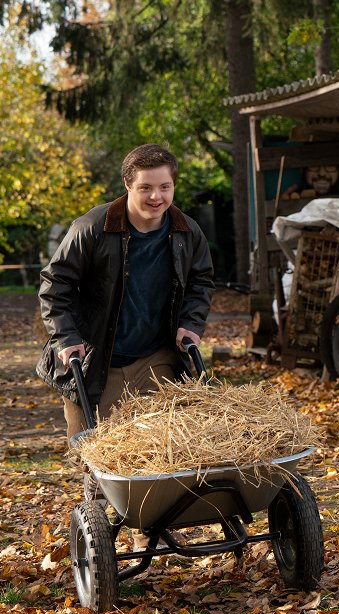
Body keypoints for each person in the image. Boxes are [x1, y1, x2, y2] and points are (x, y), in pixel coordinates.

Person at [37, 143, 215, 440]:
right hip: (96, 359)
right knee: (96, 456)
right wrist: (66, 338)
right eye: (145, 187)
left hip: (155, 358)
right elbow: (55, 284)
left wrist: (192, 323)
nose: (156, 197)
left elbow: (201, 280)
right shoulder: (93, 227)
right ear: (127, 184)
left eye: (164, 187)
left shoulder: (187, 231)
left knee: (162, 451)